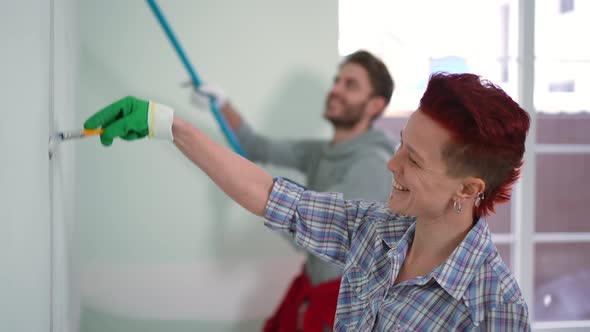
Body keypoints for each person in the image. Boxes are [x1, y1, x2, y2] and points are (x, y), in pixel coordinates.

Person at [84, 72, 531, 330]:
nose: (391, 165)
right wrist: (168, 124)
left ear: (469, 189)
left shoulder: (494, 307)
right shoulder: (372, 230)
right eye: (400, 144)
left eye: (412, 159)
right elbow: (267, 193)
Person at [191, 50, 397, 331]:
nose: (335, 89)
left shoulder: (372, 164)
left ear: (375, 105)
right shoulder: (322, 152)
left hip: (343, 308)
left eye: (350, 85)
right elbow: (255, 146)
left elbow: (317, 229)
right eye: (337, 80)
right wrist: (222, 105)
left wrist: (261, 197)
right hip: (315, 290)